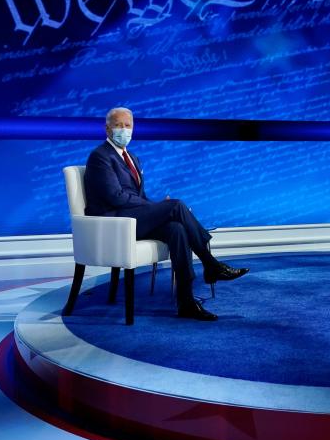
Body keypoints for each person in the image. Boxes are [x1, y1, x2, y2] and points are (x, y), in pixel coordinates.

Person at [83, 107, 248, 321]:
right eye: (118, 125)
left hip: (133, 219)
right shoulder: (100, 156)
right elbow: (116, 197)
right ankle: (211, 264)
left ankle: (186, 302)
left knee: (177, 229)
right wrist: (156, 207)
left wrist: (156, 207)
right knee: (176, 205)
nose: (124, 130)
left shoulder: (132, 157)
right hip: (115, 223)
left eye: (128, 125)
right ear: (107, 129)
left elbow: (136, 196)